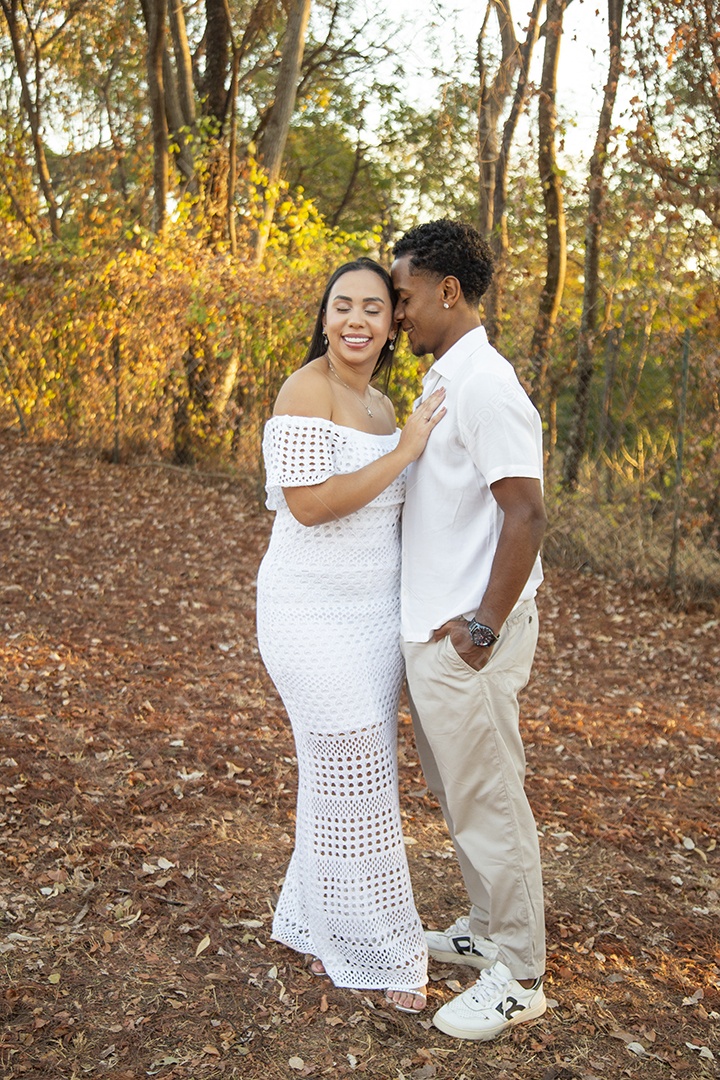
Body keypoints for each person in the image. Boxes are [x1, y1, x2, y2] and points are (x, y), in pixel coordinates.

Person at [256, 256, 446, 1014]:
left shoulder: (384, 402)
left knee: (336, 769)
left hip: (372, 616)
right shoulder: (307, 388)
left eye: (374, 306)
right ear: (325, 316)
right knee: (354, 763)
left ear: (394, 322)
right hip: (306, 612)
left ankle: (312, 921)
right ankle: (382, 946)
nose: (357, 320)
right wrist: (407, 451)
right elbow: (308, 505)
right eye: (343, 306)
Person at [391, 220, 548, 1041]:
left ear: (448, 292)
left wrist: (482, 629)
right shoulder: (444, 378)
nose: (398, 311)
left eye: (406, 295)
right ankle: (487, 929)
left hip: (469, 642)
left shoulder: (485, 382)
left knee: (489, 800)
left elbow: (525, 513)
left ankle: (519, 971)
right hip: (437, 634)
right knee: (461, 797)